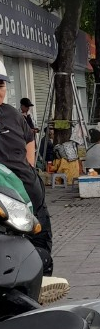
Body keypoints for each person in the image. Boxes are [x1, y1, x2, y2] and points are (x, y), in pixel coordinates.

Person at [0, 59, 54, 276]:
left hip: (32, 193)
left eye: (1, 86)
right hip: (6, 204)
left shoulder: (12, 114)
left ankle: (39, 287)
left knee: (42, 250)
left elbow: (29, 139)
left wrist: (29, 166)